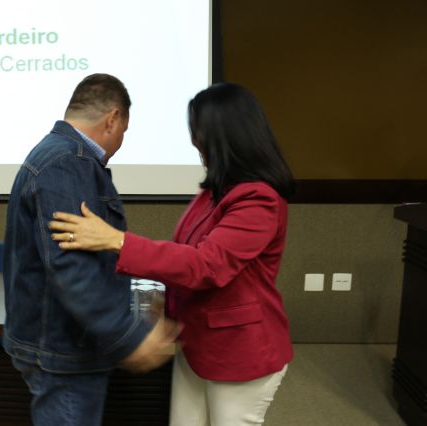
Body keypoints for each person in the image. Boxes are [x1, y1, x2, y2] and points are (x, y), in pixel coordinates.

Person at [48, 82, 296, 425]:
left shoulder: (258, 198)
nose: (194, 142)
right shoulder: (213, 193)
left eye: (198, 132)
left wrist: (117, 241)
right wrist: (160, 303)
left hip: (240, 350)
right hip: (195, 342)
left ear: (222, 134)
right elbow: (182, 254)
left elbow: (207, 265)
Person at [2, 73, 180, 426]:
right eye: (124, 131)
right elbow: (73, 267)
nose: (121, 141)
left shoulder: (54, 153)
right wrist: (129, 337)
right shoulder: (69, 164)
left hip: (55, 340)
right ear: (113, 118)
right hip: (64, 348)